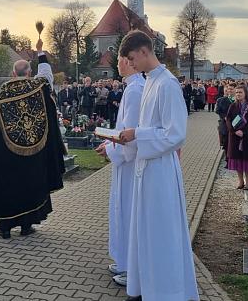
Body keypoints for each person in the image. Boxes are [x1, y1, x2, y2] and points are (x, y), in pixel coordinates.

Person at [115, 31, 198, 301]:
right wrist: (134, 135)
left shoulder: (168, 84)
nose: (130, 64)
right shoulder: (150, 81)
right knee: (144, 230)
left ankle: (166, 292)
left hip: (161, 170)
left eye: (131, 58)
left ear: (143, 51)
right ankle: (143, 288)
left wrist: (137, 134)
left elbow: (175, 134)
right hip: (145, 167)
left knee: (160, 232)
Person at [0, 38, 65, 239]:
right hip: (34, 153)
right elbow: (46, 74)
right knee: (30, 185)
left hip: (6, 155)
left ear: (13, 74)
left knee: (8, 187)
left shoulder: (2, 95)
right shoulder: (38, 87)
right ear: (28, 73)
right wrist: (40, 52)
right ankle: (26, 226)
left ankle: (5, 229)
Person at [95, 56, 144, 287]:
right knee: (120, 211)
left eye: (118, 60)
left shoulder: (135, 90)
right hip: (124, 163)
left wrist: (111, 149)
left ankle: (131, 267)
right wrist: (109, 141)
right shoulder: (132, 87)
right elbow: (122, 129)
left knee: (127, 213)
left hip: (130, 165)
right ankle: (123, 261)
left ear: (128, 61)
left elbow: (130, 137)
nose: (116, 65)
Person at [225, 85, 248, 190]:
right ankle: (240, 181)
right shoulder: (233, 105)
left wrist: (243, 132)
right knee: (237, 159)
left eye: (240, 92)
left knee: (247, 159)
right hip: (235, 136)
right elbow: (228, 119)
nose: (238, 94)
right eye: (237, 92)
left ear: (245, 93)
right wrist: (233, 131)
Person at [215, 84, 234, 154]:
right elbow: (217, 111)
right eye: (227, 90)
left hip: (236, 124)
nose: (229, 91)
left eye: (231, 89)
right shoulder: (221, 100)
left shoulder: (237, 100)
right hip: (225, 123)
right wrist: (224, 116)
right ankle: (227, 156)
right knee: (226, 141)